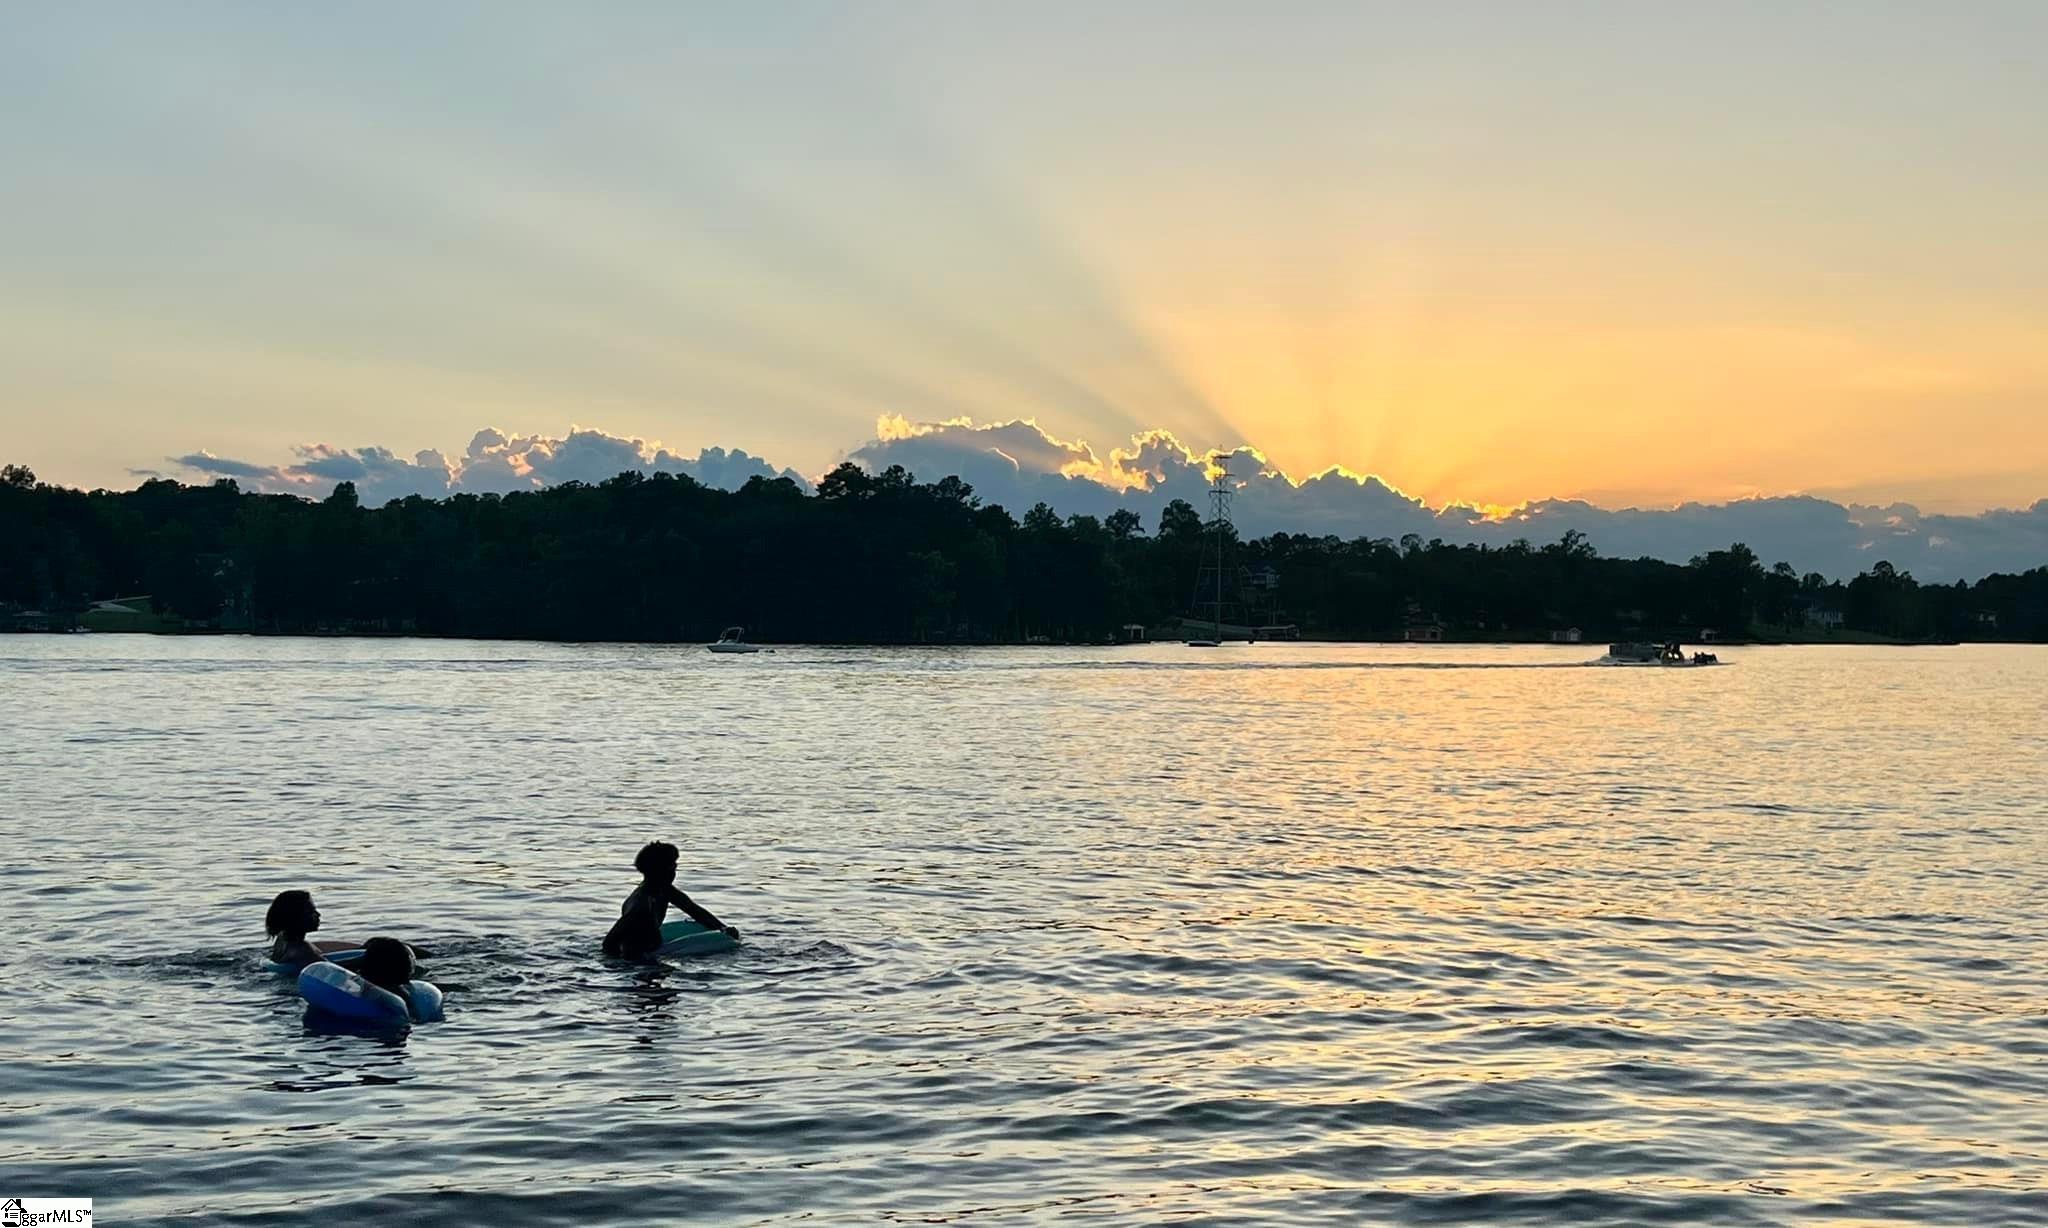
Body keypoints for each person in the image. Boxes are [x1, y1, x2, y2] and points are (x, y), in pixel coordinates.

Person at [603, 841, 739, 958]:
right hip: (635, 959)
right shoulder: (641, 905)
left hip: (650, 951)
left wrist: (722, 929)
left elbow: (693, 910)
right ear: (662, 871)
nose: (675, 871)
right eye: (673, 866)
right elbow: (610, 941)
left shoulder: (665, 890)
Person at [264, 890, 360, 968]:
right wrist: (365, 961)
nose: (318, 914)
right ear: (295, 917)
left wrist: (362, 950)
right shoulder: (301, 950)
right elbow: (330, 969)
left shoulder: (283, 938)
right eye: (311, 912)